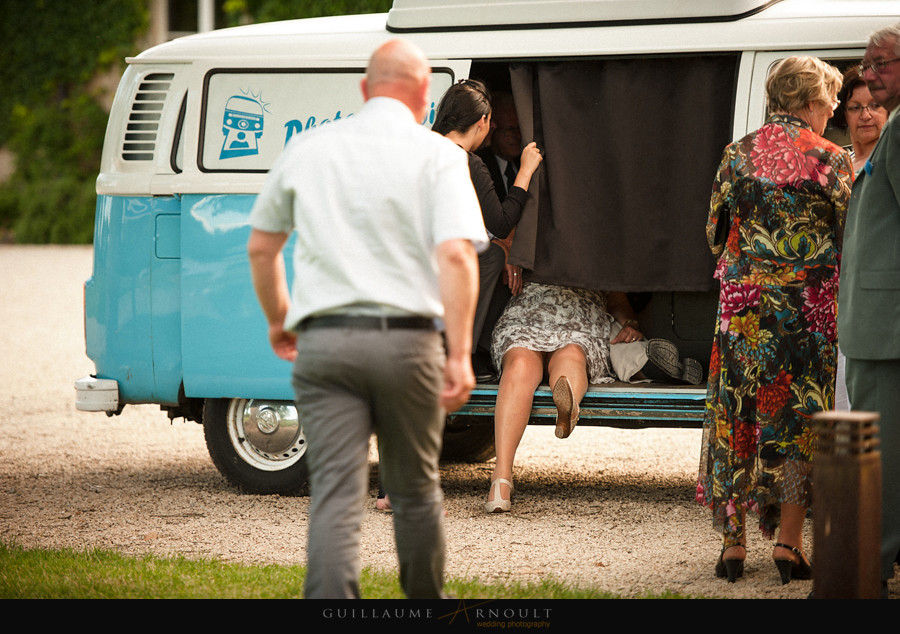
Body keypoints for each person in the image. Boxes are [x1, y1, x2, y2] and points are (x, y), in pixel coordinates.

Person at [246, 38, 487, 599]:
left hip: (325, 345)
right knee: (415, 489)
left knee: (335, 492)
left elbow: (262, 247)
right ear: (425, 95)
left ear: (364, 89)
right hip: (409, 347)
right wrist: (457, 353)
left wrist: (280, 320)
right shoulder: (441, 157)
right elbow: (456, 257)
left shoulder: (308, 148)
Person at [696, 56, 853, 584]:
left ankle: (733, 544)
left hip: (743, 308)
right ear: (809, 99)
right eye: (831, 97)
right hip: (807, 311)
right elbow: (851, 234)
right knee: (798, 423)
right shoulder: (833, 159)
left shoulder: (736, 154)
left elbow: (716, 231)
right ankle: (788, 542)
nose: (835, 107)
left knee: (736, 416)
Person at [484, 284, 702, 513]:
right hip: (542, 316)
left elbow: (618, 302)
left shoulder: (540, 249)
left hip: (562, 318)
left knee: (546, 360)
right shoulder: (526, 248)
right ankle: (569, 402)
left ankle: (501, 480)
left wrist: (630, 324)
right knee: (549, 359)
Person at [838, 22, 900, 596]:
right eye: (866, 63)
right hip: (877, 325)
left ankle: (870, 571)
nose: (871, 73)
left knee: (879, 460)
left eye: (883, 63)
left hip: (888, 329)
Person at [431, 79, 543, 382]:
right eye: (492, 122)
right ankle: (464, 353)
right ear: (482, 122)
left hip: (414, 261)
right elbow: (501, 222)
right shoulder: (467, 162)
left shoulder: (421, 151)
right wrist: (525, 171)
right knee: (494, 255)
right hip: (444, 265)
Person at [832, 66, 889, 411]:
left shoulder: (892, 161)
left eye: (875, 105)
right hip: (832, 298)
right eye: (856, 106)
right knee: (838, 401)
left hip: (877, 301)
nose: (866, 114)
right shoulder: (832, 162)